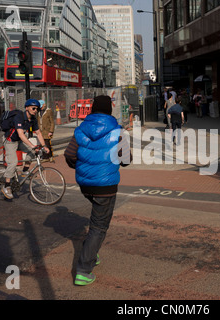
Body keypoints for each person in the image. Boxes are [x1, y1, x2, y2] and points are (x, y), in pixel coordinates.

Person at [64, 95, 131, 286]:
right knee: (99, 226)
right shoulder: (117, 131)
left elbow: (69, 154)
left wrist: (82, 167)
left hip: (85, 185)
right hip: (106, 185)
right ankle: (84, 270)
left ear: (93, 109)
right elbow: (126, 160)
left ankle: (91, 253)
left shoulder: (81, 128)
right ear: (110, 110)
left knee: (96, 221)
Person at [1, 99, 50, 199]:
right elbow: (21, 134)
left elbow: (39, 133)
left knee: (33, 152)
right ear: (27, 108)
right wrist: (33, 145)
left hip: (19, 140)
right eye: (33, 108)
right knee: (13, 162)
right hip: (10, 140)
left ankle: (24, 171)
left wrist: (44, 146)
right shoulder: (19, 117)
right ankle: (6, 186)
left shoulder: (33, 119)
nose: (35, 110)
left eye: (37, 109)